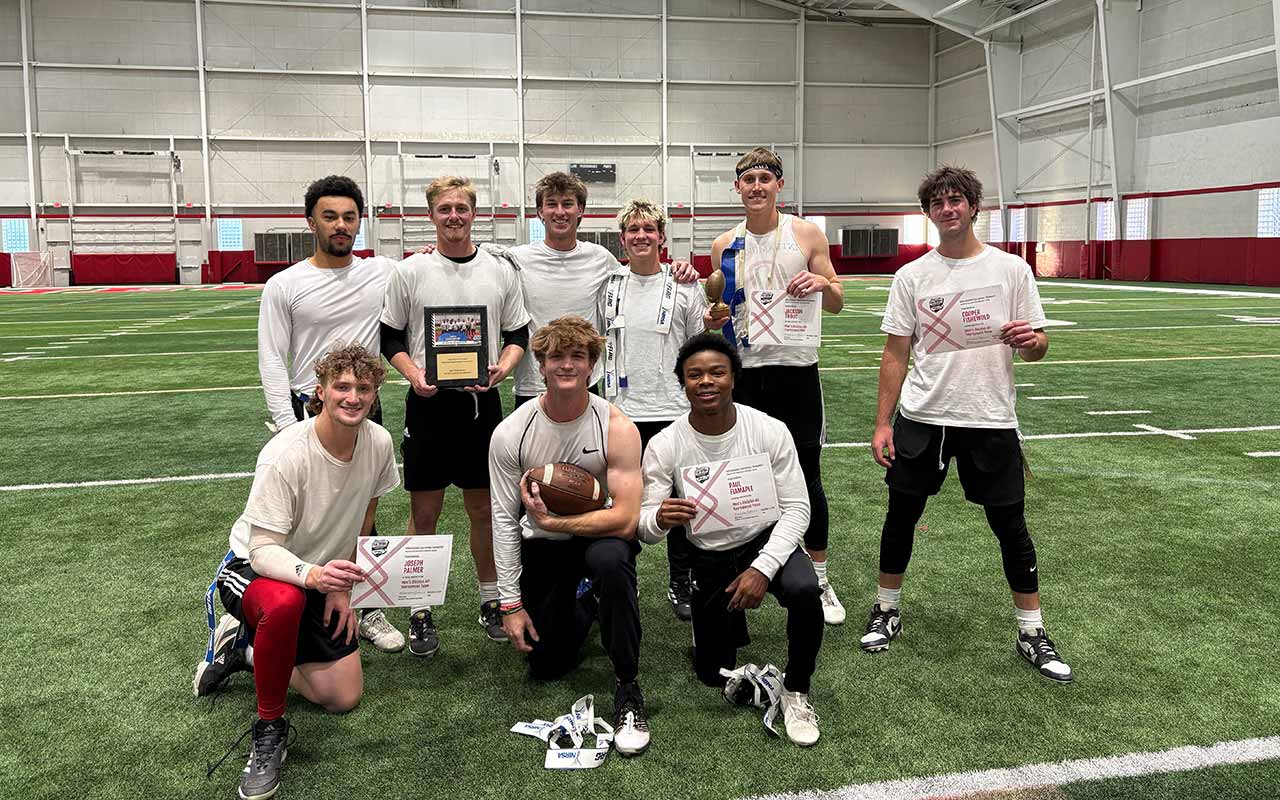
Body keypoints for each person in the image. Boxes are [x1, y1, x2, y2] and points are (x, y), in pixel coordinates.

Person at [863, 165, 1072, 684]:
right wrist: (881, 423)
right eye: (938, 202)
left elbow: (1039, 346)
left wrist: (1033, 343)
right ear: (928, 213)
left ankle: (1032, 630)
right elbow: (895, 353)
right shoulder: (913, 276)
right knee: (901, 517)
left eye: (957, 199)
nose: (948, 208)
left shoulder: (1011, 270)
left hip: (989, 416)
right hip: (924, 415)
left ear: (974, 206)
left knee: (1010, 526)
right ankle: (886, 609)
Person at [206, 175, 404, 673]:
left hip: (362, 401)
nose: (341, 225)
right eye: (330, 216)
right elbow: (272, 356)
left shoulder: (382, 273)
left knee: (362, 514)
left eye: (350, 217)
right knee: (296, 517)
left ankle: (367, 607)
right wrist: (283, 422)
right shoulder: (285, 283)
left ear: (361, 222)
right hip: (305, 409)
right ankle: (267, 601)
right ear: (311, 221)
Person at [204, 343, 399, 800]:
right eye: (342, 386)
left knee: (342, 697)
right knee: (284, 602)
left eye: (363, 388)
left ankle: (245, 651)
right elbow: (261, 550)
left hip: (322, 575)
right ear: (321, 391)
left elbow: (363, 523)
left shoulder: (379, 443)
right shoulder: (285, 453)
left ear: (374, 396)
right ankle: (269, 727)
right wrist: (313, 578)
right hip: (256, 571)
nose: (352, 397)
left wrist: (342, 591)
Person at [638, 333, 823, 747]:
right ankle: (721, 628)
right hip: (708, 554)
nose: (707, 381)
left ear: (734, 378)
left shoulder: (770, 430)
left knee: (804, 588)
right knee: (710, 673)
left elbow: (798, 509)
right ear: (682, 383)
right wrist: (659, 519)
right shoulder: (665, 444)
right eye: (695, 374)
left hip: (763, 539)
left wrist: (762, 568)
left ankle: (795, 690)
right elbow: (644, 527)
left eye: (717, 372)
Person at [380, 176, 531, 656]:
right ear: (431, 215)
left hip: (479, 407)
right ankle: (419, 610)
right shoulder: (410, 271)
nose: (453, 216)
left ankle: (491, 600)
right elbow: (391, 338)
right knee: (423, 514)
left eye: (461, 208)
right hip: (426, 407)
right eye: (444, 209)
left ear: (473, 213)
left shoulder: (499, 270)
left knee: (483, 510)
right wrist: (413, 374)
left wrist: (501, 370)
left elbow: (518, 334)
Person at [488, 315, 650, 756]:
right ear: (540, 364)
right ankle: (587, 600)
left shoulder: (614, 425)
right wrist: (510, 604)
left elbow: (627, 519)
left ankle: (627, 683)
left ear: (592, 365)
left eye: (577, 356)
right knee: (546, 664)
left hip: (598, 535)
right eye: (556, 356)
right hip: (542, 545)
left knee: (612, 562)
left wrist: (558, 522)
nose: (566, 365)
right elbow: (503, 520)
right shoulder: (511, 433)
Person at [708, 147, 847, 625]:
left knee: (807, 476)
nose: (757, 186)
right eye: (748, 179)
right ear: (738, 187)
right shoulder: (724, 243)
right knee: (740, 474)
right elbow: (721, 312)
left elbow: (838, 301)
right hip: (745, 374)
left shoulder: (806, 233)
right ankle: (743, 567)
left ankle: (822, 579)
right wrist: (714, 316)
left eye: (766, 178)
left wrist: (822, 284)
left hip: (796, 372)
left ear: (779, 185)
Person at [598, 199, 707, 621]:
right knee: (622, 502)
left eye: (649, 229)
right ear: (622, 238)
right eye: (632, 230)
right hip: (621, 411)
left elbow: (699, 348)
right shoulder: (608, 286)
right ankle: (626, 577)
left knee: (678, 502)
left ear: (662, 237)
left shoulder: (685, 285)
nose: (641, 236)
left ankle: (681, 579)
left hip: (674, 411)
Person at [507, 172, 698, 407]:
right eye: (551, 204)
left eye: (567, 204)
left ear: (580, 210)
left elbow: (642, 274)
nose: (559, 212)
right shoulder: (515, 259)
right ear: (539, 212)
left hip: (584, 382)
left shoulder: (601, 259)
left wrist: (677, 267)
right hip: (533, 384)